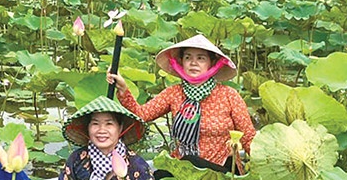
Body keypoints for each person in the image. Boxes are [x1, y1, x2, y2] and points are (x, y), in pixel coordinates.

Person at [107, 34, 256, 172]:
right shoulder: (174, 93)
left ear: (212, 63)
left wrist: (266, 170)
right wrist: (123, 89)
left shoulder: (229, 95)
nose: (193, 63)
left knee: (191, 161)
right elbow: (142, 114)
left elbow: (248, 137)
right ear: (181, 62)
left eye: (201, 58)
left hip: (221, 169)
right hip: (184, 167)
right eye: (188, 57)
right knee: (158, 177)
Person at [52, 96, 155, 180]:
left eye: (109, 124)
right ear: (88, 128)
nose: (101, 130)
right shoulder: (77, 159)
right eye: (95, 123)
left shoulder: (137, 165)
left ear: (120, 128)